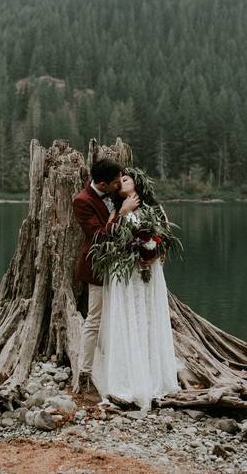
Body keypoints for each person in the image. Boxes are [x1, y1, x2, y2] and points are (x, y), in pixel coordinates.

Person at [89, 166, 180, 411]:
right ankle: (128, 377)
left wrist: (153, 252)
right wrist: (123, 216)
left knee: (148, 317)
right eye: (120, 179)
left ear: (137, 184)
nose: (122, 181)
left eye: (126, 178)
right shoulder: (117, 211)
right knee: (128, 317)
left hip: (148, 272)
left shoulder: (153, 211)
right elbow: (107, 240)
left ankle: (152, 374)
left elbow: (164, 239)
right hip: (126, 274)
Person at [72, 158, 138, 403]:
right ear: (102, 183)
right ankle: (85, 374)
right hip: (99, 267)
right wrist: (121, 214)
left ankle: (126, 370)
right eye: (115, 182)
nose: (119, 184)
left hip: (127, 269)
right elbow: (98, 237)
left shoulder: (120, 191)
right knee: (95, 319)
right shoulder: (82, 201)